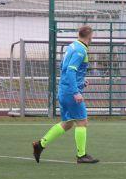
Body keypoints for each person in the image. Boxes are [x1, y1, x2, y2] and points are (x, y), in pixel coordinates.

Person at [32, 25, 99, 164]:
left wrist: (80, 82)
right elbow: (70, 71)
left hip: (64, 90)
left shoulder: (72, 46)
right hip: (70, 92)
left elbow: (64, 67)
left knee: (67, 124)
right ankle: (81, 155)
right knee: (82, 122)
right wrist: (75, 91)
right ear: (90, 36)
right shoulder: (81, 50)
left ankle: (40, 144)